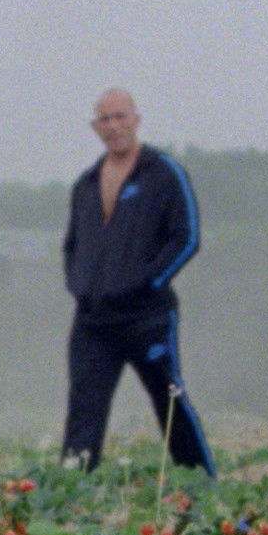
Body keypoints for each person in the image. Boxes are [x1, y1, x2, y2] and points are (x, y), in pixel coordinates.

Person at [59, 89, 214, 475]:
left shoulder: (163, 173)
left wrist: (148, 284)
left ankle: (201, 482)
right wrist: (80, 286)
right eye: (105, 119)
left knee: (170, 400)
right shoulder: (86, 183)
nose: (113, 127)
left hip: (147, 316)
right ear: (95, 127)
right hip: (93, 320)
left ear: (136, 120)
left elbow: (187, 237)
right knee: (84, 409)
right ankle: (70, 494)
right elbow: (71, 246)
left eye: (120, 117)